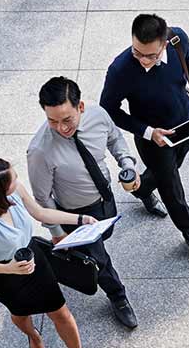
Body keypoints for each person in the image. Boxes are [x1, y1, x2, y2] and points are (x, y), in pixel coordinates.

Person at [0, 158, 107, 348]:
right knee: (21, 316)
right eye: (13, 179)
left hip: (35, 262)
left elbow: (40, 213)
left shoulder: (16, 192)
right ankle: (34, 337)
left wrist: (81, 219)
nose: (18, 180)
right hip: (6, 277)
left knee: (61, 312)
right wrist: (11, 269)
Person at [99, 13, 189, 267]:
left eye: (150, 55)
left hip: (186, 124)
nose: (143, 61)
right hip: (153, 139)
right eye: (137, 52)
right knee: (172, 190)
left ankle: (142, 188)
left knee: (172, 168)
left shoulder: (178, 40)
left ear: (164, 43)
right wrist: (147, 132)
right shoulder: (121, 69)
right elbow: (108, 109)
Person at [27, 76, 142, 329]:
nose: (61, 128)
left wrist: (127, 163)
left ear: (80, 107)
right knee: (99, 258)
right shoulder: (39, 150)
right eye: (52, 121)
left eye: (67, 119)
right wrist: (57, 233)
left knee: (105, 234)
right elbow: (42, 198)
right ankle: (118, 296)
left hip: (105, 197)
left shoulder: (97, 116)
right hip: (75, 213)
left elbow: (114, 138)